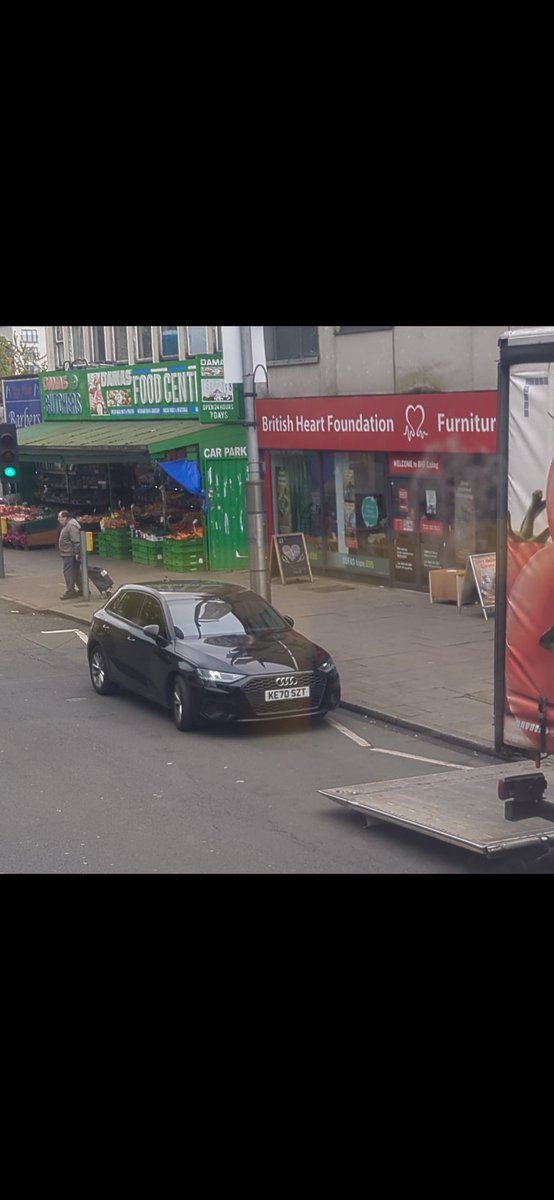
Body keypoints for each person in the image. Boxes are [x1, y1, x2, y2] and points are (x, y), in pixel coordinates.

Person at [57, 511, 83, 598]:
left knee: (69, 572)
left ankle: (70, 591)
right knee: (75, 572)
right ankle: (83, 589)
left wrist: (77, 552)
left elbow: (76, 540)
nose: (58, 519)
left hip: (70, 553)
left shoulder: (71, 525)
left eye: (59, 517)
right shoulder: (68, 524)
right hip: (69, 552)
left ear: (65, 517)